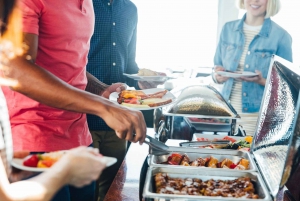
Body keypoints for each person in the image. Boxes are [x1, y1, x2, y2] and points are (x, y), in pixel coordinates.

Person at [1, 0, 147, 200]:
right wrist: (104, 108)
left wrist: (102, 91)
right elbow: (15, 69)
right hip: (33, 141)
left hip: (78, 139)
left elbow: (67, 65)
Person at [87, 1, 164, 200]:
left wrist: (142, 82)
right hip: (84, 116)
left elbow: (128, 63)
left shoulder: (130, 9)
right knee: (86, 190)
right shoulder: (84, 4)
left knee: (114, 188)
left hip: (117, 119)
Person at [212, 0, 292, 135]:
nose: (255, 0)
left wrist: (260, 80)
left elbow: (286, 87)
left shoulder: (281, 36)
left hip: (255, 117)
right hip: (225, 113)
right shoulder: (228, 29)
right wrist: (218, 76)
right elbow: (216, 70)